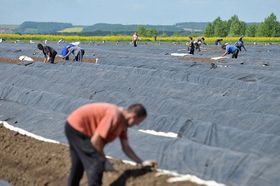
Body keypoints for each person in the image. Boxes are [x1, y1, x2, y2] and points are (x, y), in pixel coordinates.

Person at [65, 102, 155, 186]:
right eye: (138, 121)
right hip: (78, 128)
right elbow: (96, 141)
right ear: (133, 117)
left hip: (72, 126)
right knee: (97, 162)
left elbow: (126, 147)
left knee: (78, 164)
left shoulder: (123, 125)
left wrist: (141, 162)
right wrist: (104, 159)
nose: (137, 124)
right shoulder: (115, 116)